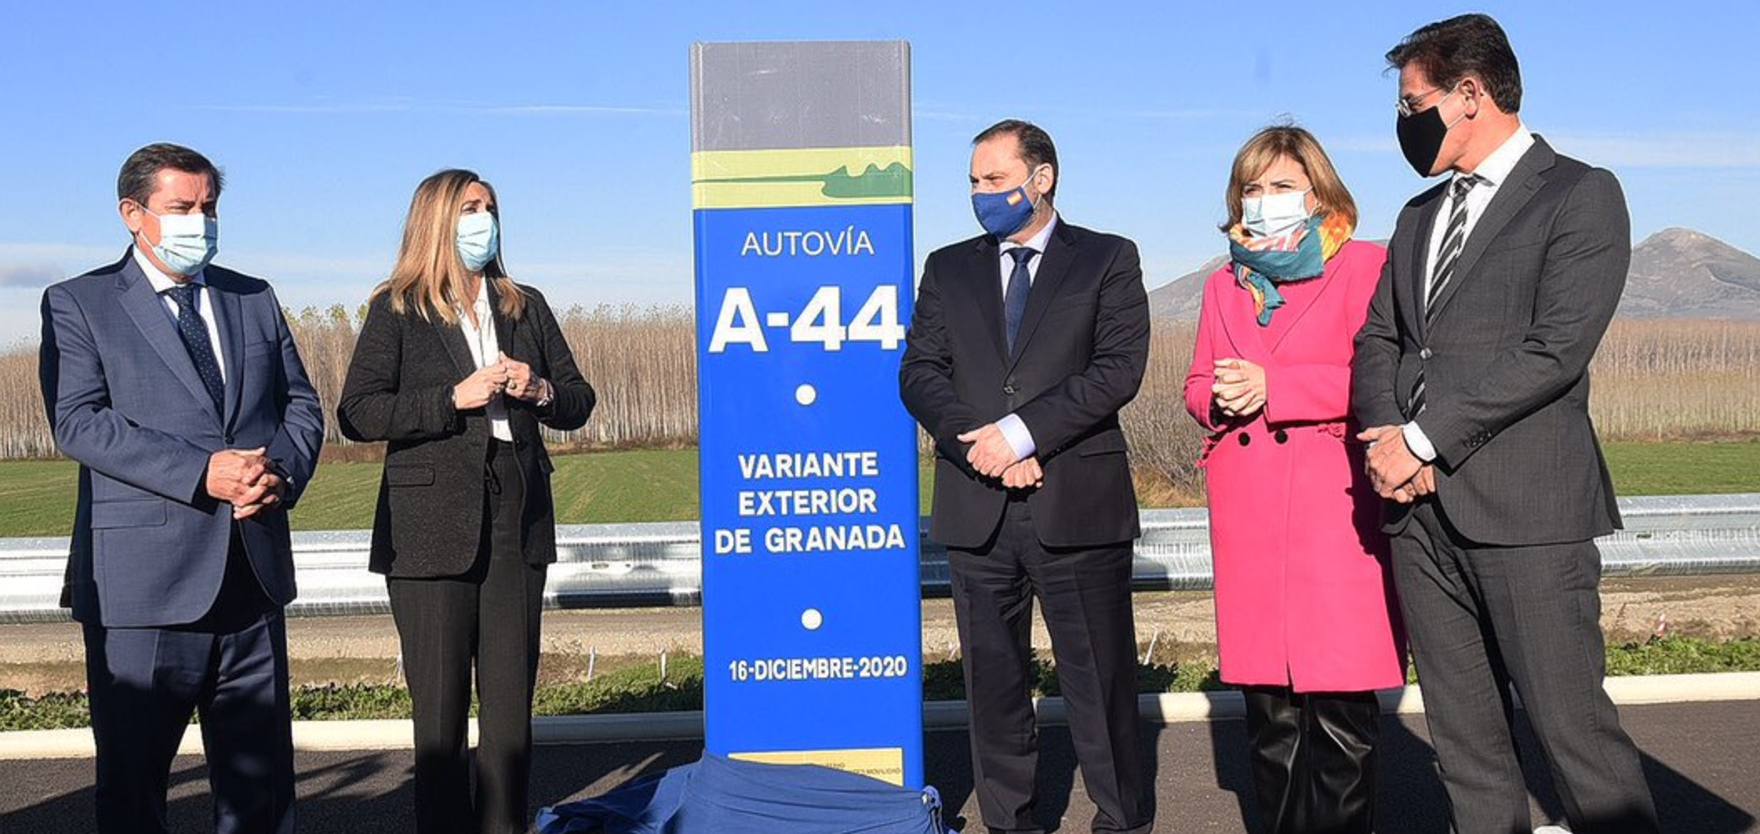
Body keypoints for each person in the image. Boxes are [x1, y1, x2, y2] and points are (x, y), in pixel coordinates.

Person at [1352, 14, 1659, 834]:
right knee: (1466, 745)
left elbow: (1553, 351)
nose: (1404, 122)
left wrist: (1423, 439)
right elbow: (1381, 336)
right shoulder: (1419, 215)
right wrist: (1387, 440)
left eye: (1413, 102)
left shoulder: (1580, 195)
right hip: (1419, 516)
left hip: (1527, 516)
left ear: (1470, 95)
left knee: (1573, 738)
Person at [38, 142, 325, 834]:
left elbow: (301, 406)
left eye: (209, 207)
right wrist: (204, 472)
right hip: (144, 593)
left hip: (252, 580)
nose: (201, 219)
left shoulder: (251, 297)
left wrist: (277, 473)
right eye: (182, 207)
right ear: (133, 214)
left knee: (261, 795)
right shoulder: (79, 303)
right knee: (135, 792)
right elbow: (78, 423)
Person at [900, 119, 1151, 834]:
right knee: (994, 688)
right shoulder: (948, 268)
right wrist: (977, 444)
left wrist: (1022, 433)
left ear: (1041, 179)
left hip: (1077, 504)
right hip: (977, 508)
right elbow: (919, 373)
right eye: (975, 182)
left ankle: (1122, 817)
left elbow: (1116, 371)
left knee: (1099, 684)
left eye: (995, 180)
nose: (981, 194)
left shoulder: (1107, 259)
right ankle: (1012, 821)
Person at [337, 169, 595, 834]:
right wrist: (452, 398)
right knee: (442, 714)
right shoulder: (398, 307)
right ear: (437, 222)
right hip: (428, 523)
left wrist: (537, 387)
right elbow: (359, 411)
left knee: (509, 709)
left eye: (489, 208)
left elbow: (578, 399)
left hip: (517, 506)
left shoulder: (524, 304)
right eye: (469, 209)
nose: (483, 220)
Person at [1184, 126, 1403, 834]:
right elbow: (1196, 382)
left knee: (1340, 707)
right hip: (1248, 509)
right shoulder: (1225, 282)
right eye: (1254, 187)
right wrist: (1216, 396)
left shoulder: (1366, 265)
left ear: (1319, 193)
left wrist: (1275, 385)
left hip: (1332, 509)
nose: (1267, 199)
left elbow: (1383, 376)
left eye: (1282, 186)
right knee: (1268, 711)